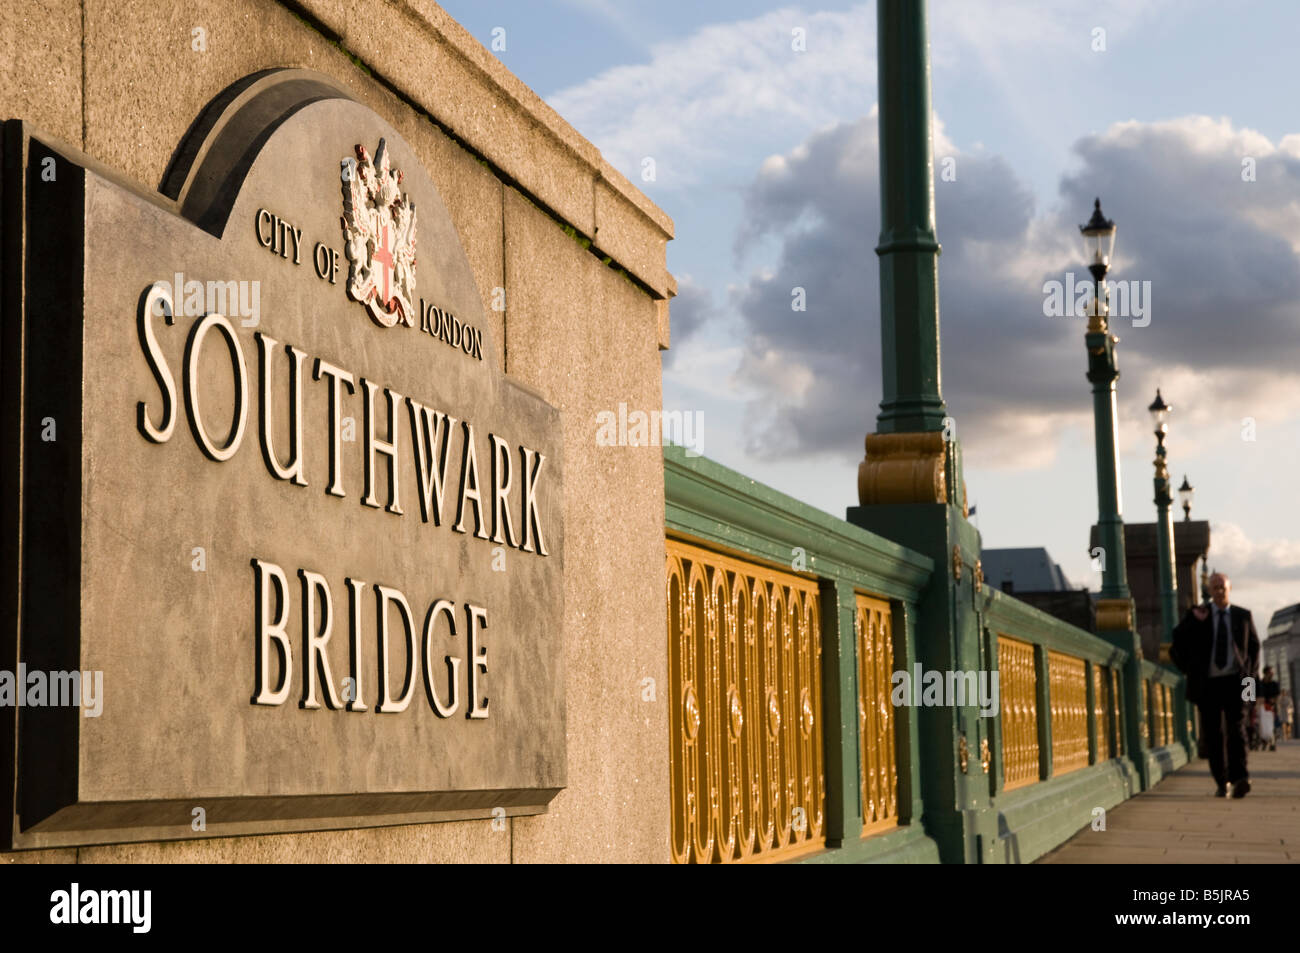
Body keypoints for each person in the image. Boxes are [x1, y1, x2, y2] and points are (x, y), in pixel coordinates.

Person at [1170, 572, 1260, 798]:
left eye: (1222, 587)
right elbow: (1176, 643)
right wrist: (1189, 670)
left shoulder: (1243, 616)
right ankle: (1222, 781)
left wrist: (1250, 684)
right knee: (1214, 734)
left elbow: (1254, 651)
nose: (1219, 591)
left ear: (1230, 589)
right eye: (1215, 587)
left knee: (1236, 729)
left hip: (1235, 681)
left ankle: (1241, 777)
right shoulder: (1199, 614)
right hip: (1208, 684)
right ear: (1210, 591)